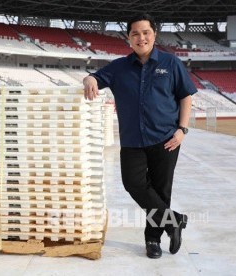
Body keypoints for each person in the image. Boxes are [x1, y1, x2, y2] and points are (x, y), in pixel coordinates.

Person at [83, 13, 197, 259]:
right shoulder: (119, 67)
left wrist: (182, 129)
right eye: (135, 33)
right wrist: (89, 78)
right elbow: (95, 77)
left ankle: (153, 241)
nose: (141, 37)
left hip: (166, 138)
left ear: (154, 34)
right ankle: (173, 220)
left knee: (160, 190)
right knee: (133, 184)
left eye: (146, 32)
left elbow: (185, 96)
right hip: (133, 140)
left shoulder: (171, 63)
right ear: (129, 38)